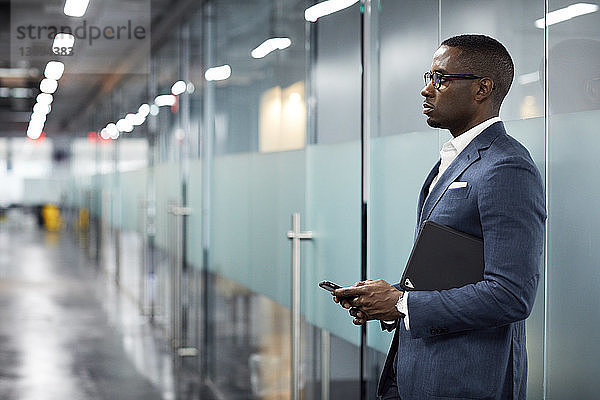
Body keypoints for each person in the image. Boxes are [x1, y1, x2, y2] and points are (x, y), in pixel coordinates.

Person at [332, 34, 546, 400]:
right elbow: (447, 270)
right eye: (428, 77)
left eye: (441, 78)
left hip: (466, 380)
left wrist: (402, 303)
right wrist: (391, 303)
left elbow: (512, 295)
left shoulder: (506, 166)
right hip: (418, 368)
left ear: (482, 88)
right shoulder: (455, 157)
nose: (427, 90)